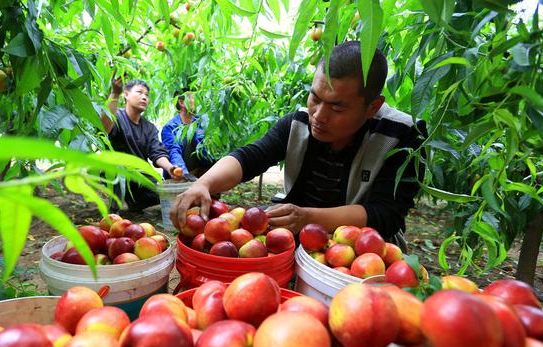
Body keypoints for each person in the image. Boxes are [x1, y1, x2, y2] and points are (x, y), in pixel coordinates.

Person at [170, 41, 426, 245]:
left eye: (337, 107)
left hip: (362, 249)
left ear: (372, 107)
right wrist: (203, 184)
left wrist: (307, 217)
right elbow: (250, 157)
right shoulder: (298, 123)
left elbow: (385, 216)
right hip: (295, 238)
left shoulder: (402, 136)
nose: (318, 115)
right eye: (314, 97)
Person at [101, 77, 182, 212]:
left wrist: (170, 168)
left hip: (140, 175)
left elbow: (157, 153)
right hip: (116, 172)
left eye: (146, 95)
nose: (144, 97)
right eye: (139, 92)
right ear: (126, 95)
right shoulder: (117, 117)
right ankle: (115, 204)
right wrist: (114, 94)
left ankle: (133, 203)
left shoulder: (149, 128)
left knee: (163, 194)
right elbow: (104, 128)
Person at [161, 92, 214, 179]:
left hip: (201, 170)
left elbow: (206, 148)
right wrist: (183, 173)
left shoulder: (201, 122)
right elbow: (173, 151)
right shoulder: (170, 127)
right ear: (181, 102)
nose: (198, 102)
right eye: (194, 98)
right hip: (181, 174)